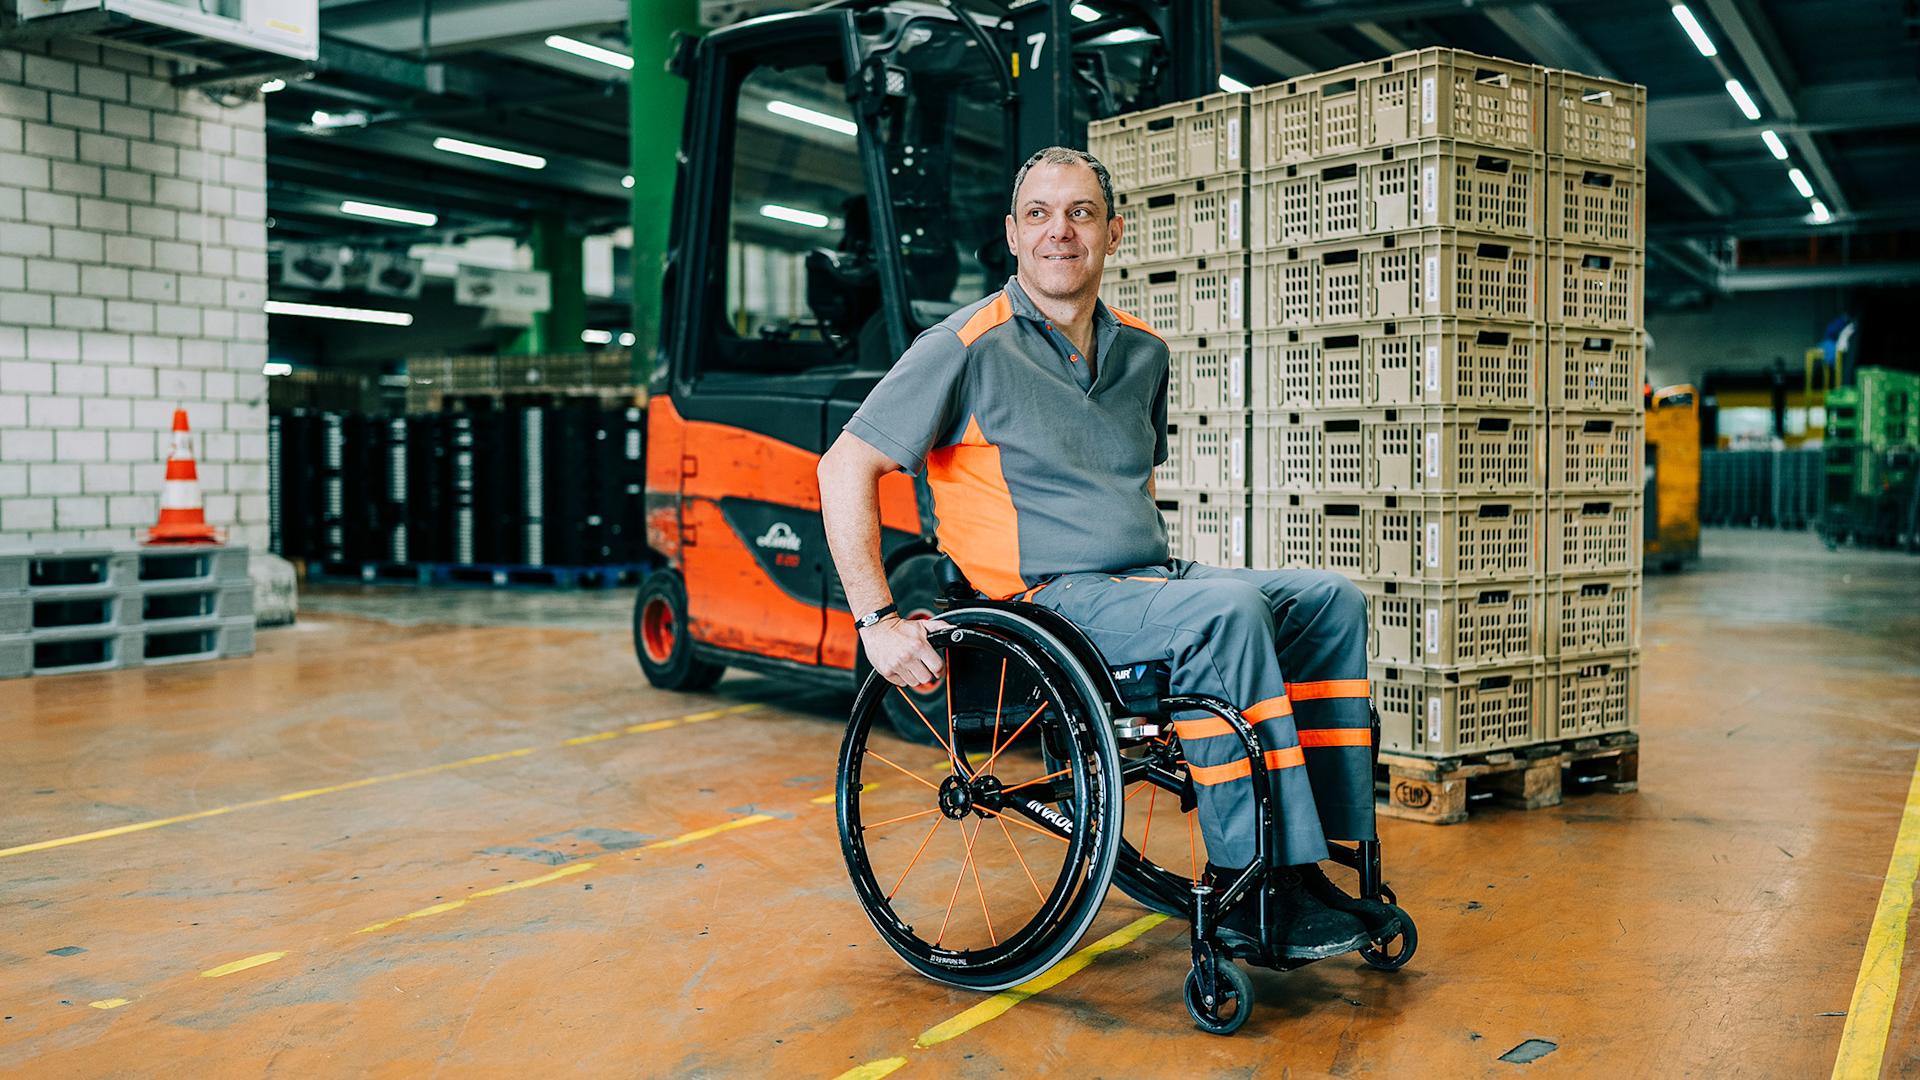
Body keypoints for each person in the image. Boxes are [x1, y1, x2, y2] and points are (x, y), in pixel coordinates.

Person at [817, 146, 1386, 961]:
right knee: (1220, 613)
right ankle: (1253, 879)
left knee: (1329, 599)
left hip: (1146, 581)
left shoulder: (1143, 352)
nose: (1061, 232)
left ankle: (1316, 858)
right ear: (1012, 235)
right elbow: (845, 466)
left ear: (1113, 233)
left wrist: (1154, 582)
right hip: (1042, 601)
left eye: (1081, 213)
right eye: (1040, 214)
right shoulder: (964, 345)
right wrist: (875, 619)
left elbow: (1128, 480)